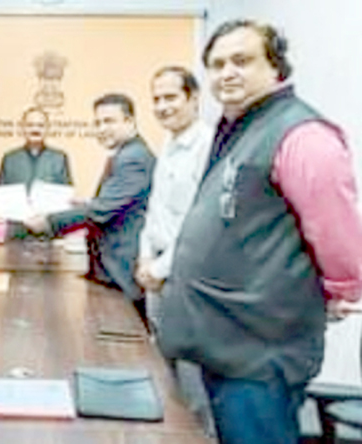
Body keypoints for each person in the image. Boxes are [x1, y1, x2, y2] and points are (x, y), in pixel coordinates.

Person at [156, 20, 362, 444]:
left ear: (276, 68)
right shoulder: (238, 129)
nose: (226, 73)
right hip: (218, 343)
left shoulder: (302, 135)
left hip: (258, 354)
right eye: (216, 64)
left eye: (242, 60)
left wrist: (342, 291)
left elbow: (338, 234)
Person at [24, 94, 155, 325]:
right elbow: (112, 206)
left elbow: (101, 212)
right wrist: (86, 204)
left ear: (130, 122)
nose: (102, 128)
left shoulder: (134, 158)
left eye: (109, 121)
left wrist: (49, 222)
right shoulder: (125, 154)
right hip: (109, 272)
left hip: (121, 274)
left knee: (123, 348)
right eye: (98, 123)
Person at [134, 66, 215, 435]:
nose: (162, 106)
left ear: (194, 99)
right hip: (156, 275)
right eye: (156, 99)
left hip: (186, 277)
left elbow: (200, 220)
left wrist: (161, 267)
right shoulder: (167, 143)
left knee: (192, 385)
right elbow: (156, 210)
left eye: (171, 97)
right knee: (162, 374)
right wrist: (145, 258)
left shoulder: (209, 145)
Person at [0, 106, 73, 190]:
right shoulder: (10, 159)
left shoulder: (59, 159)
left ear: (47, 128)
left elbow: (66, 194)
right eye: (30, 125)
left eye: (40, 126)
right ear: (22, 128)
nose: (35, 129)